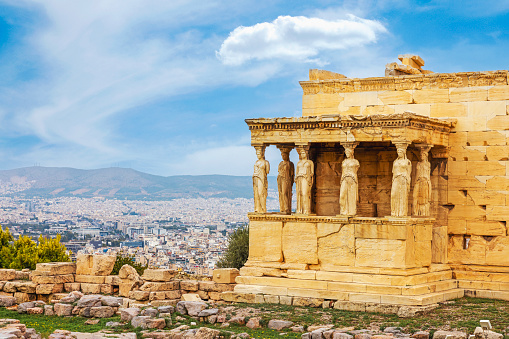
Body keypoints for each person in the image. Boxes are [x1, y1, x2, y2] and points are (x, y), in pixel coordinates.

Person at [391, 144, 412, 217]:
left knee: (403, 195)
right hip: (396, 179)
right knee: (394, 194)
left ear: (403, 153)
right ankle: (394, 212)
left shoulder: (407, 162)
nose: (399, 153)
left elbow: (409, 172)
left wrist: (407, 182)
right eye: (398, 152)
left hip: (403, 179)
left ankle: (402, 212)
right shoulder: (395, 162)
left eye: (400, 152)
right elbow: (393, 171)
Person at [339, 145, 360, 216]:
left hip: (352, 179)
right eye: (346, 152)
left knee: (352, 195)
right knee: (342, 195)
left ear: (351, 153)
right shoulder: (344, 162)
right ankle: (343, 211)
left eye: (348, 152)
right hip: (344, 179)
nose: (347, 154)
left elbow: (356, 170)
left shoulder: (355, 162)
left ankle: (352, 211)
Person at [413, 147, 432, 216]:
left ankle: (423, 213)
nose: (421, 156)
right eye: (420, 155)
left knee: (424, 198)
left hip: (425, 181)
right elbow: (417, 174)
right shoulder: (418, 164)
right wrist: (415, 182)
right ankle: (416, 212)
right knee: (416, 197)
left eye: (423, 155)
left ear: (426, 156)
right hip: (419, 181)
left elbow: (428, 175)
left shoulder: (428, 164)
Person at [295, 147, 314, 214]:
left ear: (306, 153)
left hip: (306, 178)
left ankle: (306, 210)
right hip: (299, 178)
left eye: (303, 153)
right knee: (299, 193)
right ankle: (299, 210)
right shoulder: (299, 162)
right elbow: (296, 172)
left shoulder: (310, 162)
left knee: (305, 193)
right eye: (301, 153)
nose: (302, 154)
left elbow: (312, 173)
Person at [252, 146, 270, 213]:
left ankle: (263, 208)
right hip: (255, 178)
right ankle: (258, 208)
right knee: (256, 194)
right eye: (257, 154)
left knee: (261, 193)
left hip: (262, 179)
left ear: (262, 154)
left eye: (259, 154)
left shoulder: (266, 162)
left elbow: (267, 171)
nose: (258, 155)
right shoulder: (256, 162)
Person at [277, 149, 294, 214]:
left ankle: (287, 208)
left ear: (288, 155)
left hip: (287, 179)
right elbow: (279, 171)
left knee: (285, 193)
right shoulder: (280, 163)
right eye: (282, 155)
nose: (283, 156)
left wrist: (291, 182)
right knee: (281, 193)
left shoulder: (290, 164)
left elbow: (292, 174)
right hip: (280, 179)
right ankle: (283, 208)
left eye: (285, 155)